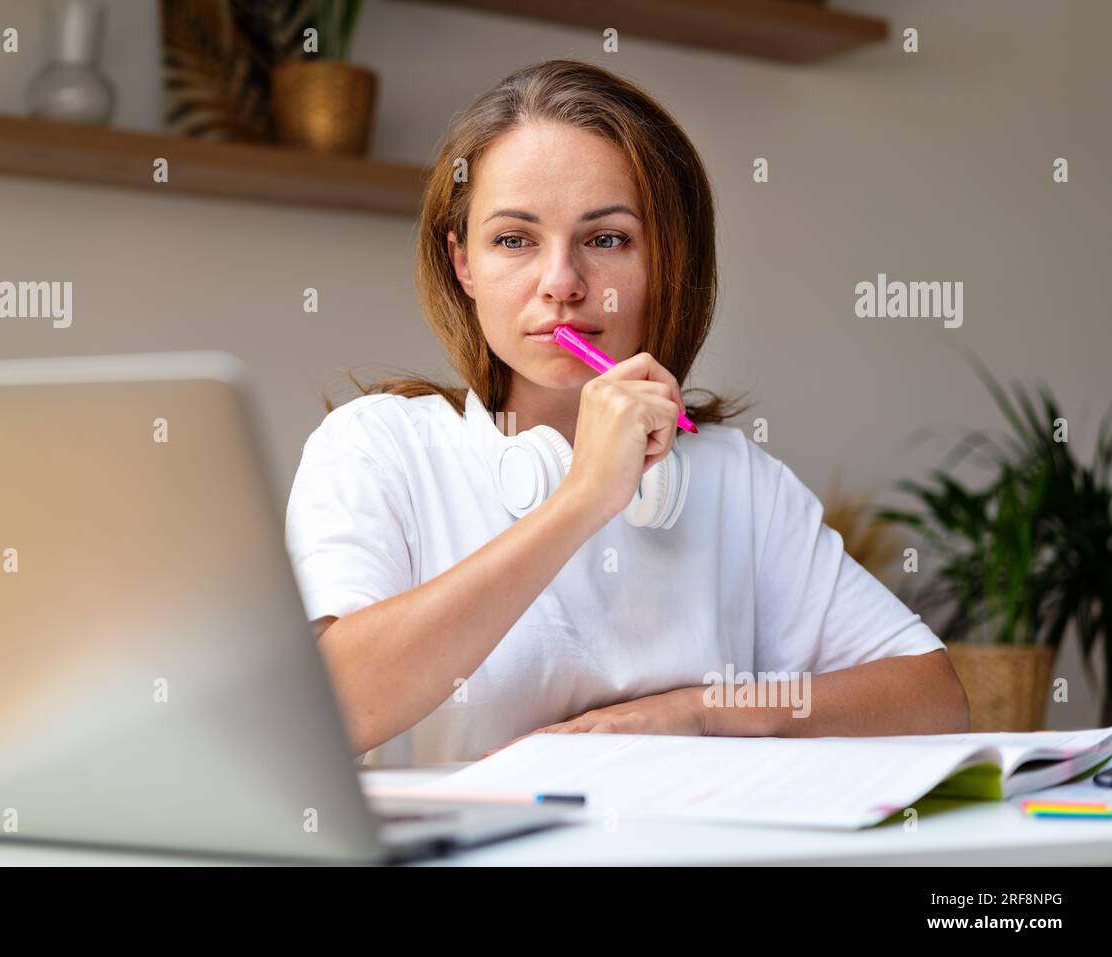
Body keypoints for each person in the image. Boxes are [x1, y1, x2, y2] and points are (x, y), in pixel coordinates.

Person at [284, 59, 969, 766]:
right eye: (513, 240)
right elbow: (332, 709)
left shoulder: (735, 480)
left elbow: (933, 696)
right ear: (463, 264)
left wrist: (694, 714)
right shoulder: (376, 448)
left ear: (666, 262)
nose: (561, 284)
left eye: (606, 239)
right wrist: (582, 498)